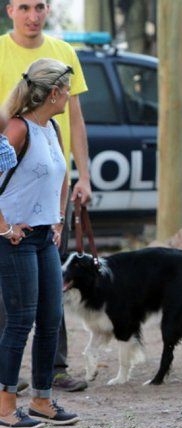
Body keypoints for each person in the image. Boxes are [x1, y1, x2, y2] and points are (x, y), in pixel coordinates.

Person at [0, 0, 92, 393]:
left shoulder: (64, 52)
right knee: (13, 302)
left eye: (40, 6)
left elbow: (77, 119)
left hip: (51, 194)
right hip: (13, 200)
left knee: (51, 298)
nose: (33, 15)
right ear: (10, 11)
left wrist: (83, 176)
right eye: (24, 7)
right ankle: (6, 383)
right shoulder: (18, 126)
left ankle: (52, 374)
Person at [0, 58, 79, 428]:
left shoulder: (53, 128)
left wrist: (58, 217)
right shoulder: (18, 129)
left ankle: (42, 400)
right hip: (16, 240)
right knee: (20, 322)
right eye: (68, 89)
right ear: (54, 93)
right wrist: (4, 227)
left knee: (51, 319)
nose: (70, 96)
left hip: (46, 236)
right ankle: (4, 406)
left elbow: (61, 175)